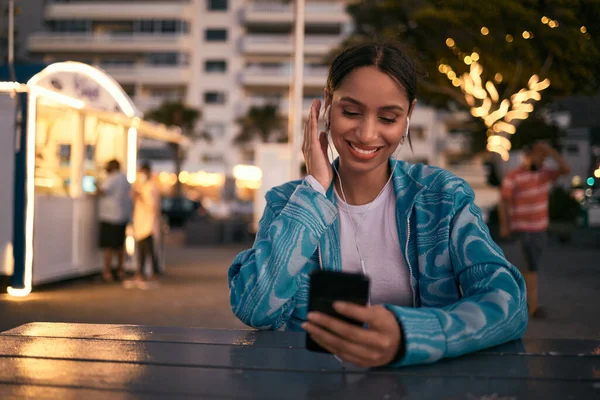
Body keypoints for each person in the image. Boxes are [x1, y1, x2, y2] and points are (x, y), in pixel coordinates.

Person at [228, 42, 528, 368]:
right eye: (351, 112)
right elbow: (254, 308)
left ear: (408, 116)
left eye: (387, 117)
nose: (367, 133)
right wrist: (314, 189)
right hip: (316, 386)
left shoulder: (443, 198)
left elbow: (507, 304)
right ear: (328, 104)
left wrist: (409, 335)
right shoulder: (291, 203)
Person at [499, 142, 570, 318]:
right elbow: (504, 201)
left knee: (532, 265)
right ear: (529, 156)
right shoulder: (514, 176)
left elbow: (566, 169)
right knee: (529, 264)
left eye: (544, 157)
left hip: (540, 228)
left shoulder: (544, 175)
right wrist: (504, 225)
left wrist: (551, 151)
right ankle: (532, 306)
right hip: (522, 228)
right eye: (540, 155)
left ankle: (529, 303)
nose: (542, 159)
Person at [98, 159, 132, 282]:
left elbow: (102, 190)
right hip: (122, 216)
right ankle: (120, 270)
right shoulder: (124, 178)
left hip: (110, 216)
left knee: (108, 246)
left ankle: (107, 272)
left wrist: (96, 186)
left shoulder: (112, 178)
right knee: (120, 246)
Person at [131, 162, 162, 281]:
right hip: (142, 222)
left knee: (147, 249)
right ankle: (146, 271)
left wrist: (140, 196)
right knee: (145, 249)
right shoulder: (142, 186)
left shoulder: (151, 187)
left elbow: (152, 205)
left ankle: (147, 271)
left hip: (148, 223)